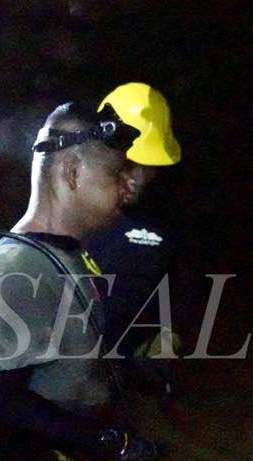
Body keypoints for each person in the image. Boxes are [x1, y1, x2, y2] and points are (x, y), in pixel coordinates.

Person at [0, 102, 158, 461]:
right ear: (72, 173)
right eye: (116, 173)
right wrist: (110, 443)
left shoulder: (65, 254)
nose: (128, 183)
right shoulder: (19, 264)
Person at [84, 82, 183, 393]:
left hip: (119, 376)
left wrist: (167, 337)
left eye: (149, 166)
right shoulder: (64, 214)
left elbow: (182, 290)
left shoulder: (164, 225)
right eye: (129, 164)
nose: (138, 179)